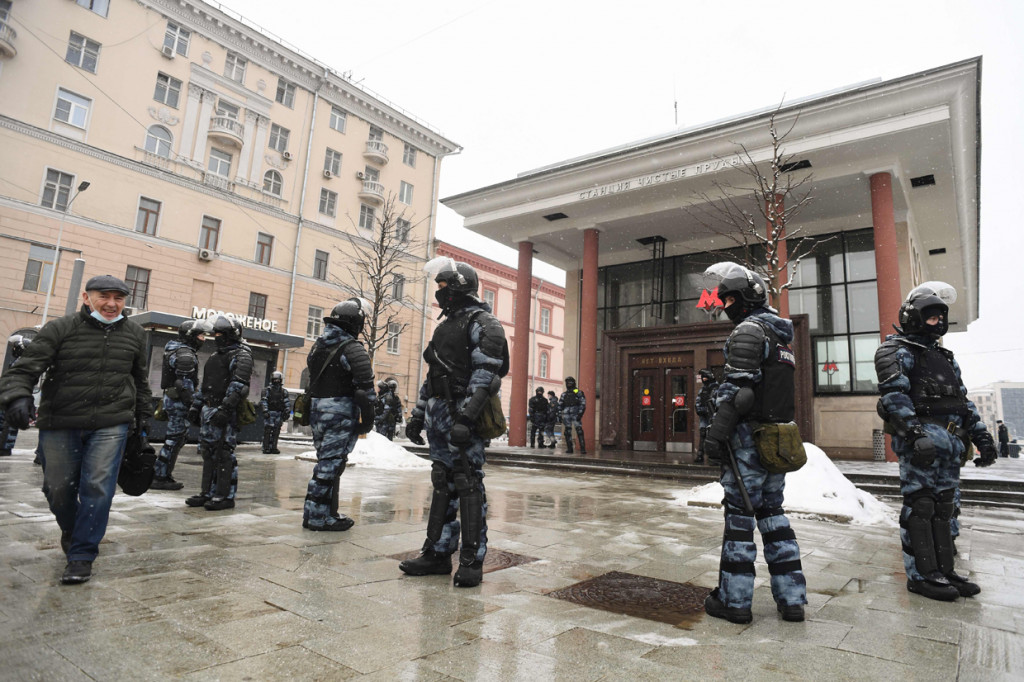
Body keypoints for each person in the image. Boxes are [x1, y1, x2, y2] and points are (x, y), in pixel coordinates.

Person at [0, 275, 152, 584]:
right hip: (62, 421)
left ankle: (82, 554)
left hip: (112, 422)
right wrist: (17, 396)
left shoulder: (136, 334)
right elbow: (26, 369)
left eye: (118, 298)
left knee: (97, 486)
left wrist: (143, 420)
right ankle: (72, 529)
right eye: (104, 296)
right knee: (57, 488)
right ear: (86, 297)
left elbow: (139, 381)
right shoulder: (61, 328)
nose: (111, 304)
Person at [875, 281, 997, 601]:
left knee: (944, 509)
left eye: (941, 318)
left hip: (950, 447)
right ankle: (920, 574)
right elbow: (894, 397)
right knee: (921, 506)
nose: (938, 323)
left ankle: (944, 570)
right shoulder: (895, 350)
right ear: (912, 316)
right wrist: (915, 434)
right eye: (931, 317)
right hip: (921, 445)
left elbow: (963, 402)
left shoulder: (944, 357)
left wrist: (983, 437)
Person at [700, 262, 807, 624]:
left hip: (747, 441)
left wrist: (715, 435)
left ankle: (735, 601)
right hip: (776, 440)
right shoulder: (781, 338)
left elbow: (740, 392)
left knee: (740, 520)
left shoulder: (749, 330)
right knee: (774, 516)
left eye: (729, 298)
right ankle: (792, 600)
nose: (724, 304)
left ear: (745, 298)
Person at [400, 258, 508, 588]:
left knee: (468, 483)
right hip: (438, 414)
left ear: (460, 287)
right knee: (442, 482)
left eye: (444, 287)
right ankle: (437, 553)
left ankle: (472, 559)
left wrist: (467, 417)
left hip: (463, 415)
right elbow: (433, 375)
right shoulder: (444, 325)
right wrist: (418, 414)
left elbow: (487, 376)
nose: (439, 293)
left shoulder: (484, 322)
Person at [302, 299, 375, 531]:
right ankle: (316, 517)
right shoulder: (352, 348)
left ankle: (327, 513)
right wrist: (368, 420)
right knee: (329, 467)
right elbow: (366, 390)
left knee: (330, 463)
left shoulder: (318, 346)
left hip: (318, 412)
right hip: (339, 414)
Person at [186, 315, 253, 511]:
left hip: (224, 410)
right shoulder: (216, 356)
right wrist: (195, 406)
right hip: (208, 408)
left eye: (221, 333)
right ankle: (207, 492)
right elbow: (206, 385)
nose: (217, 337)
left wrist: (225, 409)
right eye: (215, 333)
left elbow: (239, 386)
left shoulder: (241, 355)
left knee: (224, 453)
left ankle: (224, 495)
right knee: (208, 452)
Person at [151, 320, 207, 489]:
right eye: (201, 335)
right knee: (174, 439)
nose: (204, 339)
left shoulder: (177, 350)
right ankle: (160, 476)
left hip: (175, 401)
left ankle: (163, 474)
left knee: (176, 439)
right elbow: (184, 385)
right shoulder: (184, 354)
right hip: (179, 403)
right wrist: (193, 405)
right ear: (191, 336)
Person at [0, 334, 31, 457]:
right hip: (10, 395)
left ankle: (4, 447)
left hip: (14, 396)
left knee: (10, 423)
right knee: (5, 421)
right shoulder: (19, 361)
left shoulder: (22, 362)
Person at [260, 371, 291, 454]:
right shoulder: (268, 390)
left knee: (276, 431)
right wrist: (265, 410)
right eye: (275, 379)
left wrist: (287, 410)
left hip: (278, 413)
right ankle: (266, 447)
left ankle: (273, 447)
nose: (276, 381)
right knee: (268, 431)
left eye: (278, 379)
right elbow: (264, 401)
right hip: (270, 413)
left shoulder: (283, 391)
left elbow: (286, 402)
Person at [694, 368, 718, 465]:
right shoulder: (704, 389)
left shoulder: (716, 388)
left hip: (712, 416)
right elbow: (698, 401)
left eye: (704, 377)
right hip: (704, 416)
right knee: (703, 434)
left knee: (712, 435)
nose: (703, 379)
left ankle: (713, 456)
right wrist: (700, 410)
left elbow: (717, 402)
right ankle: (700, 455)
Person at [558, 376, 587, 454]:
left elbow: (583, 403)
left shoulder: (578, 392)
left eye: (570, 382)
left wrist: (580, 413)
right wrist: (559, 415)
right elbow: (560, 405)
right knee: (567, 432)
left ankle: (583, 448)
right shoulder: (564, 394)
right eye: (567, 382)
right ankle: (570, 448)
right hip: (566, 414)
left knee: (579, 431)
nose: (569, 384)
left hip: (575, 413)